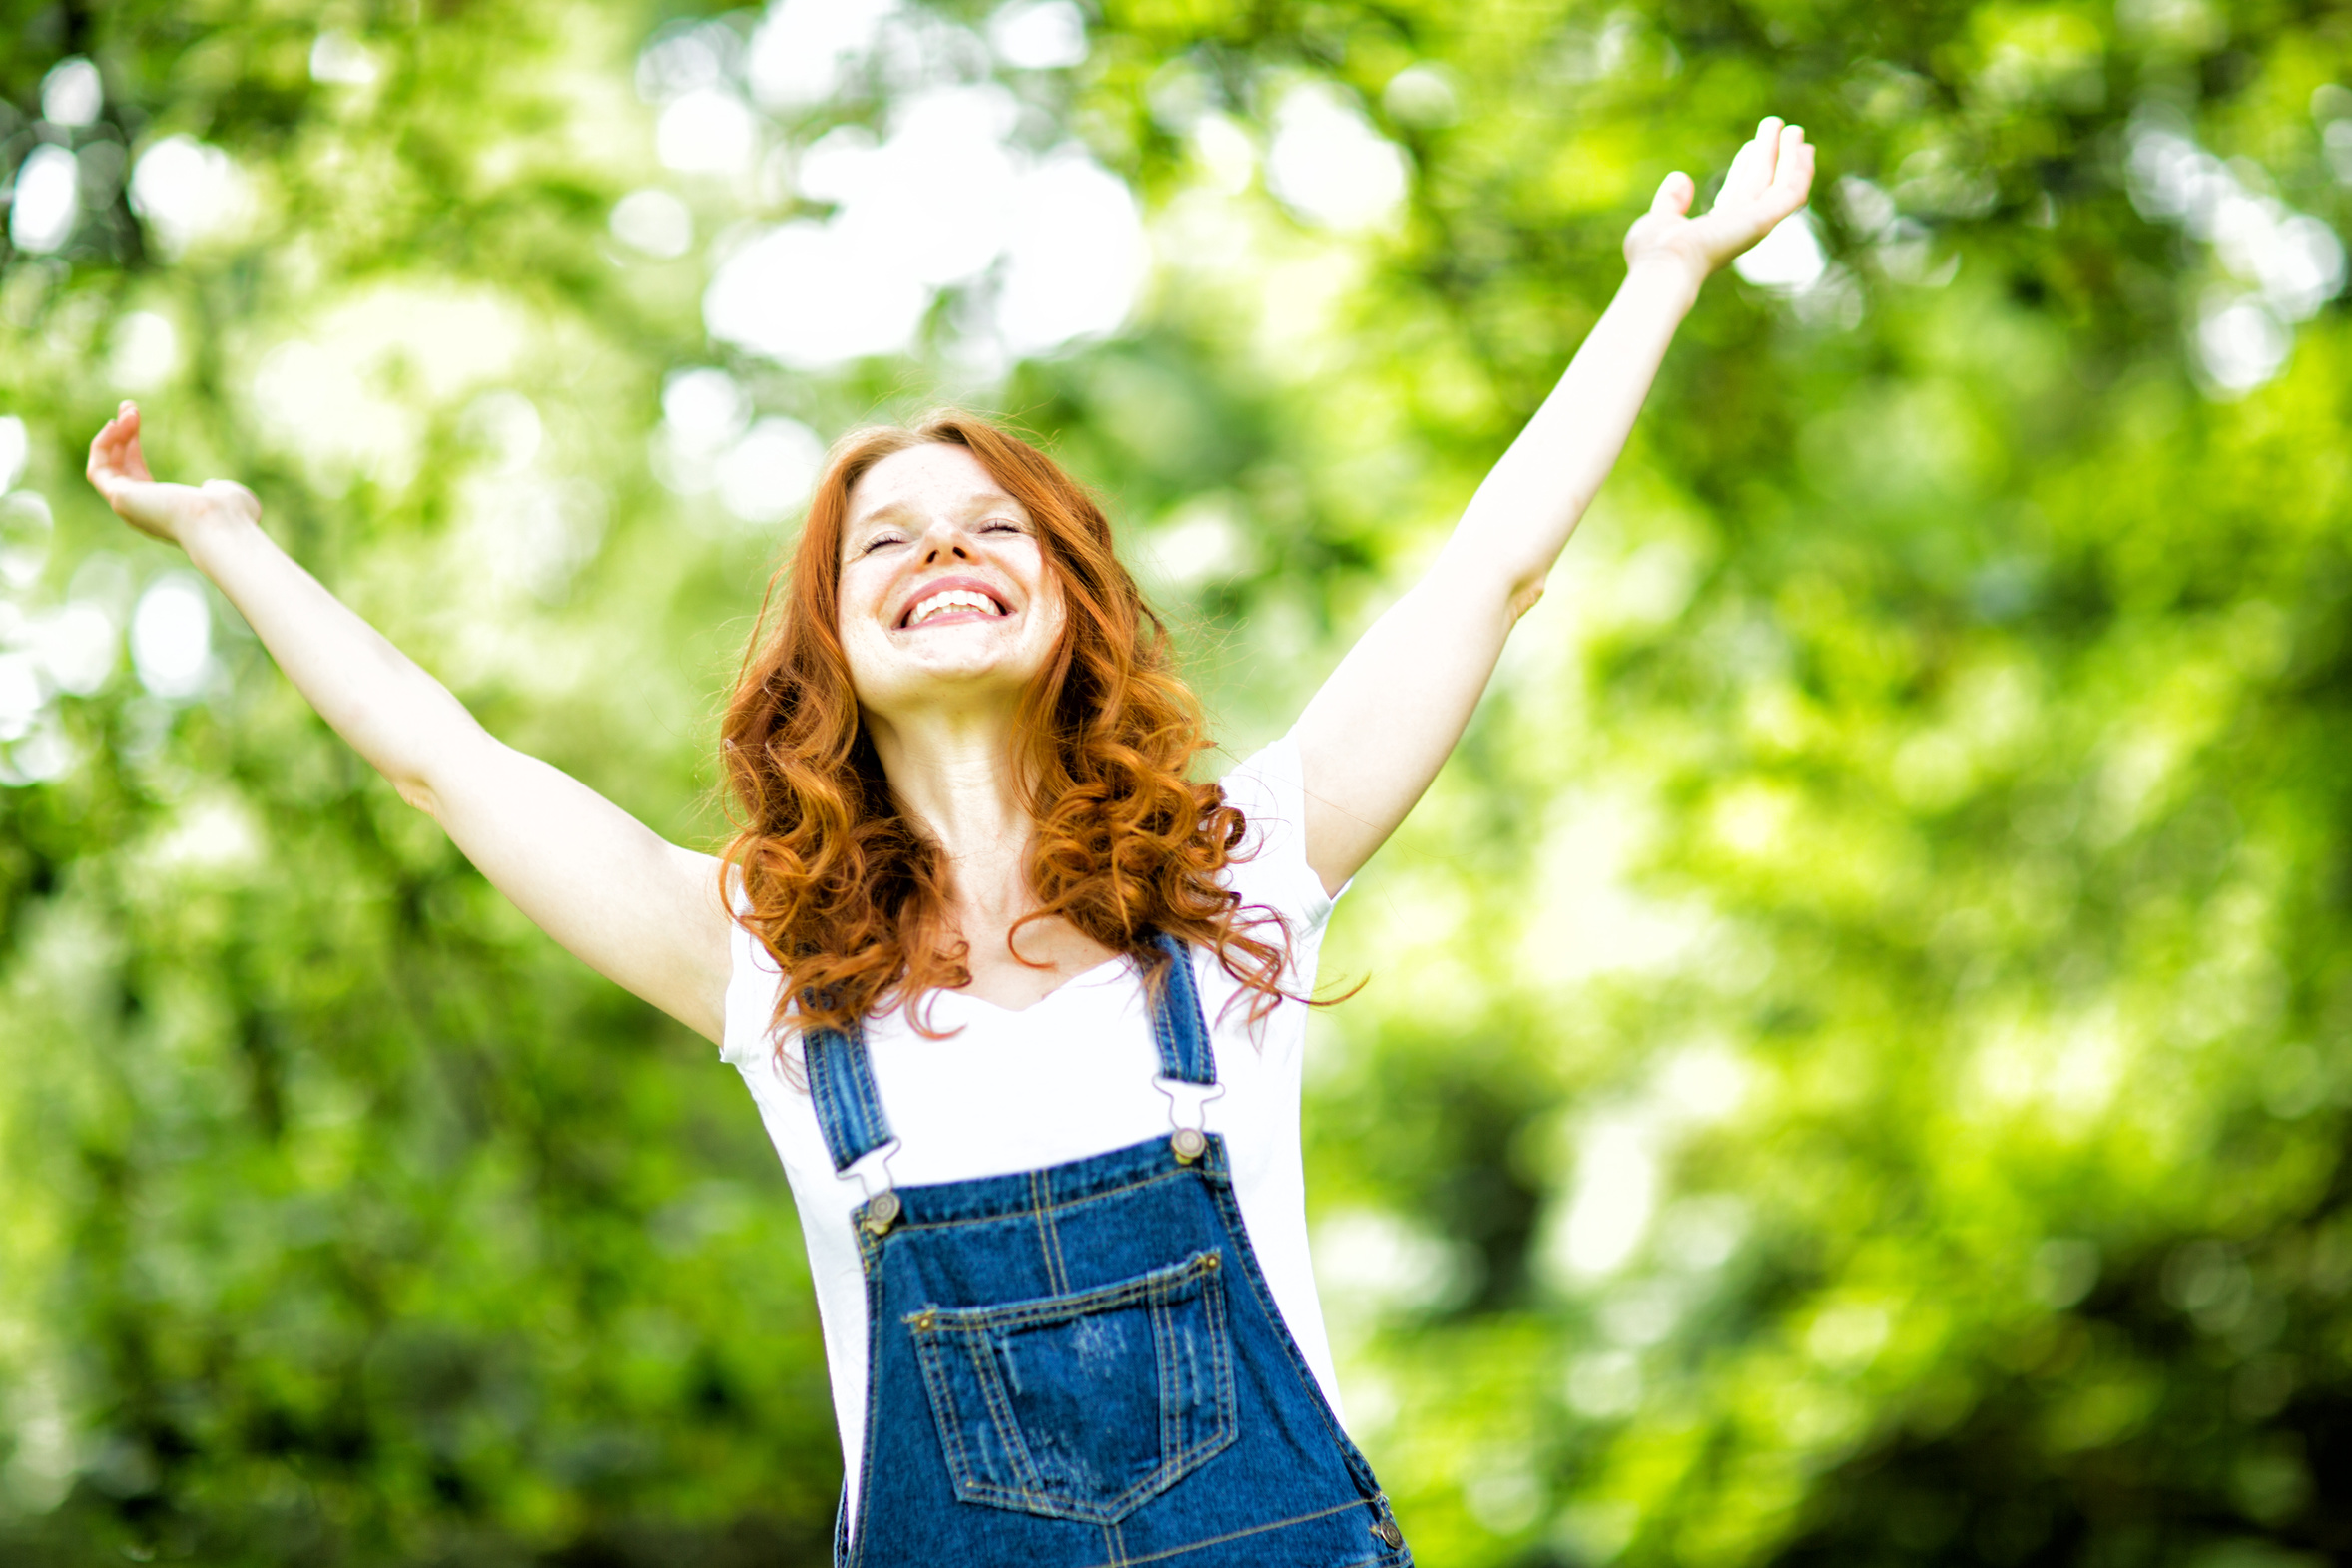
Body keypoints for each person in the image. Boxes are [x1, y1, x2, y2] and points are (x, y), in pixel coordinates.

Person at [87, 117, 1815, 1567]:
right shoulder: (761, 965)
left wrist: (1659, 283)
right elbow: (440, 765)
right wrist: (231, 539)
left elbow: (1490, 575)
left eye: (997, 526)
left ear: (1072, 604)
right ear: (826, 645)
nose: (946, 551)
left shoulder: (1238, 878)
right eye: (886, 543)